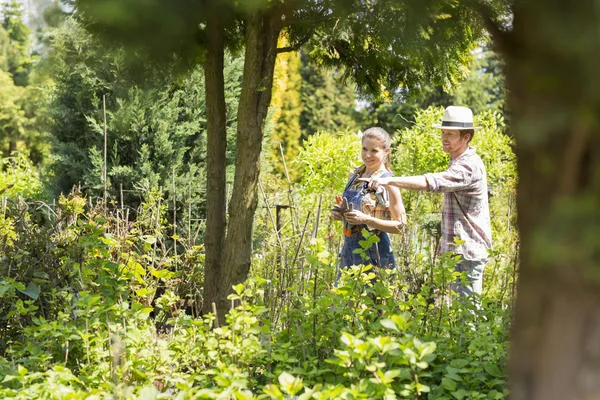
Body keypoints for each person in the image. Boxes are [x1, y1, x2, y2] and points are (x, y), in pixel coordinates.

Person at [361, 106, 492, 296]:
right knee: (458, 316)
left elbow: (430, 182)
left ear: (466, 137)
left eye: (451, 134)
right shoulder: (458, 161)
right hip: (459, 251)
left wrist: (388, 180)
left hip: (468, 251)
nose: (444, 138)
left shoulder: (468, 165)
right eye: (443, 132)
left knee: (468, 318)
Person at [332, 127, 406, 273]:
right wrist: (340, 214)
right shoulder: (354, 175)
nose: (367, 155)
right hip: (349, 254)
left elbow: (400, 226)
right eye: (364, 149)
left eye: (374, 151)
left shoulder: (389, 182)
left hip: (376, 257)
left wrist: (366, 219)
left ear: (387, 152)